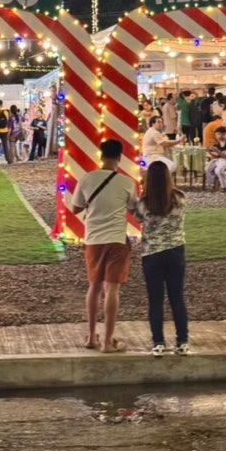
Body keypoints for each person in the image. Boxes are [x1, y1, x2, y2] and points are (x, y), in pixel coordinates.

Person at [72, 139, 138, 353]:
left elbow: (75, 208)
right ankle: (108, 342)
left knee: (94, 286)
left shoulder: (87, 179)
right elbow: (134, 210)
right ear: (119, 157)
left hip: (93, 239)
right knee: (112, 289)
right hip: (117, 239)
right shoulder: (127, 183)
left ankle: (92, 337)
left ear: (100, 156)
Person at [134, 161, 189, 356]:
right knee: (177, 297)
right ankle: (182, 341)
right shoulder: (180, 198)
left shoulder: (144, 203)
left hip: (152, 253)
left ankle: (158, 342)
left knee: (155, 299)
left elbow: (138, 218)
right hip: (176, 250)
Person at [204, 127, 226, 192]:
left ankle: (225, 186)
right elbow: (216, 156)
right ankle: (212, 183)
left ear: (224, 134)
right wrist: (210, 151)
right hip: (219, 160)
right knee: (207, 168)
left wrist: (217, 151)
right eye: (216, 134)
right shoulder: (218, 144)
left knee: (218, 170)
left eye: (219, 134)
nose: (217, 136)